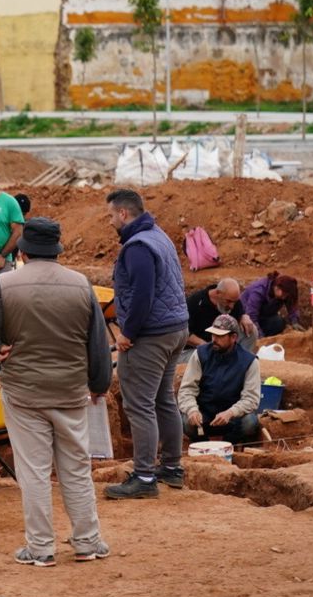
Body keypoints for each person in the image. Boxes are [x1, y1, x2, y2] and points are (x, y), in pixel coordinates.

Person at [0, 217, 114, 565]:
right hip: (70, 391)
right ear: (58, 251)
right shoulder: (80, 284)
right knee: (75, 469)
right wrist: (99, 384)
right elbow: (98, 343)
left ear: (22, 251)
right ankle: (88, 542)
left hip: (24, 392)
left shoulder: (5, 284)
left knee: (34, 472)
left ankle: (41, 549)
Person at [103, 189, 189, 501]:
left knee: (139, 404)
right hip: (175, 328)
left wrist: (128, 333)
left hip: (151, 334)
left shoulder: (137, 247)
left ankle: (143, 476)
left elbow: (142, 295)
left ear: (123, 214)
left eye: (111, 215)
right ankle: (172, 468)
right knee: (164, 399)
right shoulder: (158, 234)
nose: (110, 221)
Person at [178, 315, 261, 445]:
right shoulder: (200, 354)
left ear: (233, 337)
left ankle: (230, 444)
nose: (214, 339)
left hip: (232, 417)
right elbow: (187, 389)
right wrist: (192, 410)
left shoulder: (249, 361)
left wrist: (230, 413)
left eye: (220, 336)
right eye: (212, 335)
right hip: (203, 414)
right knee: (184, 421)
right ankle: (203, 445)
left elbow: (251, 398)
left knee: (249, 422)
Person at [239, 271, 301, 339]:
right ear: (277, 287)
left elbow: (291, 305)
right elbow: (252, 316)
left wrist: (295, 321)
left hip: (263, 317)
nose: (284, 298)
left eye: (286, 296)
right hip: (246, 319)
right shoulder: (258, 291)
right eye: (284, 295)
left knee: (279, 322)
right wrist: (261, 337)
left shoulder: (282, 291)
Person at [185, 277, 244, 349]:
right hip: (195, 349)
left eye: (235, 302)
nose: (232, 306)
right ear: (217, 293)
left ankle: (241, 358)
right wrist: (206, 347)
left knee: (250, 330)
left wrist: (244, 316)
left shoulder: (232, 299)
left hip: (222, 346)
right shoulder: (194, 302)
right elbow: (184, 334)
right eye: (228, 301)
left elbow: (240, 312)